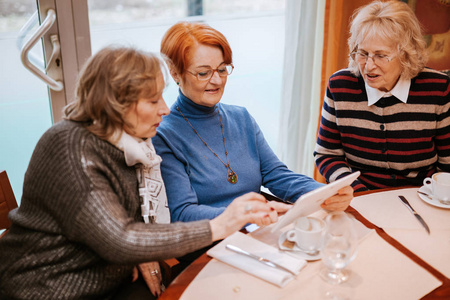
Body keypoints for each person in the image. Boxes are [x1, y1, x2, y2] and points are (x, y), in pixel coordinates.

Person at [0, 47, 279, 300]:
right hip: (49, 286)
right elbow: (119, 239)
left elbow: (125, 222)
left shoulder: (131, 144)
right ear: (116, 103)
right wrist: (220, 224)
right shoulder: (70, 148)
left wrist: (142, 249)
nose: (165, 109)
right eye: (153, 100)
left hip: (110, 273)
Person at [153, 21, 353, 226]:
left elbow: (277, 175)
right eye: (203, 73)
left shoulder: (241, 118)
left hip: (257, 233)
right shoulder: (163, 135)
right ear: (176, 74)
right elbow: (183, 213)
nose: (217, 81)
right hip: (209, 245)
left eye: (222, 70)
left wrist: (324, 192)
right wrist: (247, 214)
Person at [314, 0, 450, 192]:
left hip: (421, 196)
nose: (368, 66)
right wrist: (358, 192)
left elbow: (448, 164)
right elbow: (327, 154)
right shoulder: (340, 86)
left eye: (381, 55)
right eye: (362, 53)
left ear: (405, 54)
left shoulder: (437, 88)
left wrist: (432, 195)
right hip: (360, 195)